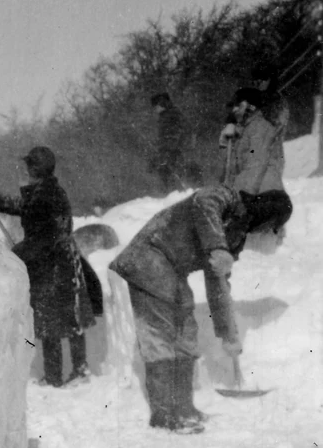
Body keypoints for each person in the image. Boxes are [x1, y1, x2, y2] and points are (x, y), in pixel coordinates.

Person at [108, 185, 287, 433]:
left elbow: (218, 286)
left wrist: (228, 334)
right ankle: (164, 414)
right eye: (277, 230)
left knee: (187, 333)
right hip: (146, 259)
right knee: (161, 336)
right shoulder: (227, 198)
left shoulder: (235, 236)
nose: (278, 237)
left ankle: (183, 408)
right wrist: (217, 247)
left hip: (170, 270)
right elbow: (203, 201)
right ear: (268, 223)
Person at [0, 145, 101, 387]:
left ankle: (67, 374)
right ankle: (71, 372)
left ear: (35, 169)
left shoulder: (45, 195)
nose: (25, 170)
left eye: (28, 166)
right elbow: (24, 208)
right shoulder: (46, 191)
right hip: (58, 262)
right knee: (64, 319)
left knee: (55, 320)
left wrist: (17, 254)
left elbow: (44, 236)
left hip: (55, 265)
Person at [219, 86, 293, 236]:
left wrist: (241, 198)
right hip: (257, 199)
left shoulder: (260, 127)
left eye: (238, 105)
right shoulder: (244, 133)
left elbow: (257, 163)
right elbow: (229, 170)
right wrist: (225, 140)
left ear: (251, 106)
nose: (234, 110)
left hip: (268, 199)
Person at [148, 92, 187, 192]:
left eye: (156, 106)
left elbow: (175, 134)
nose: (155, 110)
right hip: (168, 150)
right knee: (165, 173)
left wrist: (167, 150)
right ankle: (170, 193)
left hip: (172, 151)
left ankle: (175, 193)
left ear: (161, 104)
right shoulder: (165, 115)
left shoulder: (172, 114)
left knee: (170, 174)